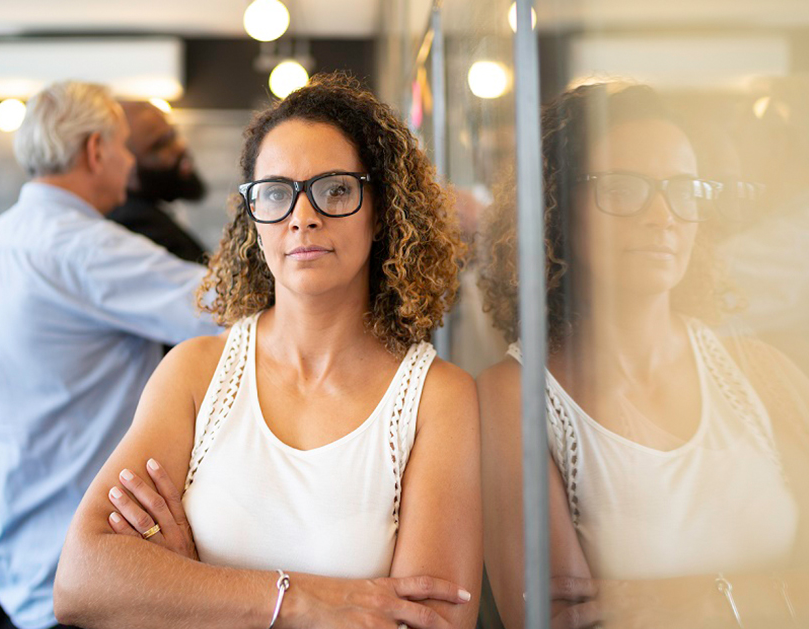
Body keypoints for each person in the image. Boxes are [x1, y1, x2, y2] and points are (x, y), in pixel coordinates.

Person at [53, 72, 483, 629]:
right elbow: (80, 579)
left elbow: (430, 622)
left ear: (381, 210)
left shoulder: (437, 398)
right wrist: (297, 599)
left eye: (334, 189)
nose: (303, 217)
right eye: (276, 194)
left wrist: (188, 590)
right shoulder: (195, 371)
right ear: (254, 219)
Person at [478, 83, 809, 629]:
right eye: (624, 189)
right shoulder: (511, 397)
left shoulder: (760, 371)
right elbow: (561, 620)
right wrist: (775, 597)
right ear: (556, 208)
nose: (664, 216)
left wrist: (699, 601)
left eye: (683, 190)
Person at [0, 81, 221, 629]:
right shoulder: (83, 247)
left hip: (19, 566)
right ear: (96, 151)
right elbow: (225, 307)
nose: (128, 164)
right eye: (122, 147)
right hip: (87, 577)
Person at [107, 100, 209, 263]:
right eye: (160, 145)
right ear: (125, 164)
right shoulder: (136, 225)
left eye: (173, 135)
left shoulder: (151, 212)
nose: (179, 147)